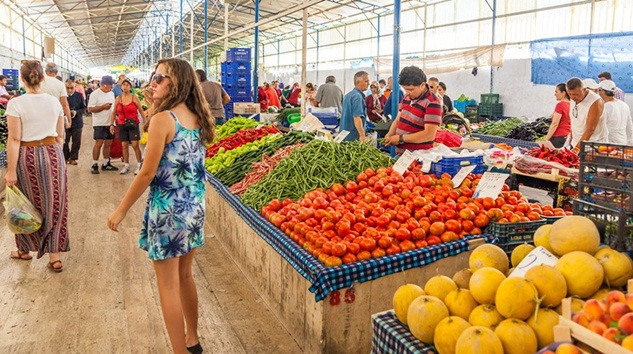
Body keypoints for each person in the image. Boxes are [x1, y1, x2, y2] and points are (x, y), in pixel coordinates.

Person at [107, 58, 214, 354]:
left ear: (175, 82)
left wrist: (121, 209)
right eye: (154, 77)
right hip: (193, 208)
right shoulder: (196, 115)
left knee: (167, 285)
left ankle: (180, 351)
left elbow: (146, 172)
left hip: (168, 212)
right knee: (185, 276)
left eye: (159, 78)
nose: (153, 83)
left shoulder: (163, 120)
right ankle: (192, 340)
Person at [5, 60, 68, 272]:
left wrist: (11, 171)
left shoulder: (16, 103)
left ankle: (24, 250)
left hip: (27, 154)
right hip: (52, 154)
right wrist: (55, 153)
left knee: (24, 204)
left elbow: (14, 139)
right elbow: (60, 135)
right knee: (54, 203)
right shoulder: (54, 103)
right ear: (43, 78)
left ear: (22, 79)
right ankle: (55, 256)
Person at [384, 66, 443, 152]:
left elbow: (429, 135)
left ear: (422, 85)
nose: (407, 93)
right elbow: (398, 118)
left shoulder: (432, 103)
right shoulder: (407, 97)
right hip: (402, 154)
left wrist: (400, 138)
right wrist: (390, 134)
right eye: (405, 89)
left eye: (410, 89)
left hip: (418, 156)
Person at [110, 78, 144, 175]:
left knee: (135, 145)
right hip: (121, 124)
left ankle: (139, 165)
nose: (125, 86)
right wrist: (111, 124)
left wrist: (145, 122)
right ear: (121, 87)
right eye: (123, 85)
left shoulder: (134, 98)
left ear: (130, 87)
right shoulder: (118, 99)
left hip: (133, 124)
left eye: (127, 85)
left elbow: (141, 110)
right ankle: (126, 165)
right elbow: (114, 112)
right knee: (124, 146)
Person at [566, 77, 607, 150]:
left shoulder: (595, 102)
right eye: (570, 94)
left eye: (576, 94)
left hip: (592, 146)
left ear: (584, 89)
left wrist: (576, 150)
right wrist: (571, 139)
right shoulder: (573, 98)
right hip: (576, 143)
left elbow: (590, 130)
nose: (573, 97)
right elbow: (574, 120)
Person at [88, 75, 118, 174]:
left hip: (110, 122)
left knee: (108, 143)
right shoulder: (94, 94)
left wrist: (113, 121)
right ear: (104, 85)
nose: (111, 87)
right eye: (110, 85)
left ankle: (106, 163)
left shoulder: (111, 94)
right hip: (99, 123)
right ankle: (94, 163)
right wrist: (103, 107)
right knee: (99, 143)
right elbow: (90, 109)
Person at [598, 80, 633, 145]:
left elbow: (600, 127)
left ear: (603, 92)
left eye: (599, 90)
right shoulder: (624, 105)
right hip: (623, 142)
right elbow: (629, 126)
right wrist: (630, 142)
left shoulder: (605, 107)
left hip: (609, 144)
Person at [340, 71, 370, 142]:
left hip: (344, 135)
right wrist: (362, 136)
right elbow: (357, 117)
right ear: (358, 82)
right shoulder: (357, 97)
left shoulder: (348, 95)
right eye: (366, 81)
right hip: (353, 138)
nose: (368, 84)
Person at [40, 62, 72, 128]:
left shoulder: (39, 83)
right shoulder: (60, 84)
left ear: (45, 72)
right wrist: (69, 120)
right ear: (57, 72)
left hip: (41, 116)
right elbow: (64, 104)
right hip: (56, 116)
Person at [64, 79, 87, 165]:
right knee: (65, 141)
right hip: (65, 122)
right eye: (67, 88)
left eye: (71, 88)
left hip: (77, 122)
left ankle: (73, 157)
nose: (69, 90)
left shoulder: (79, 96)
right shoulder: (62, 96)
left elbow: (84, 109)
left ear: (75, 87)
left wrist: (76, 112)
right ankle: (65, 157)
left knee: (76, 141)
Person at [542, 83, 572, 148]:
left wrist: (546, 139)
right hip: (567, 137)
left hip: (558, 137)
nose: (555, 94)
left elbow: (555, 124)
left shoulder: (560, 105)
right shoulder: (572, 105)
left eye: (556, 91)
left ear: (563, 93)